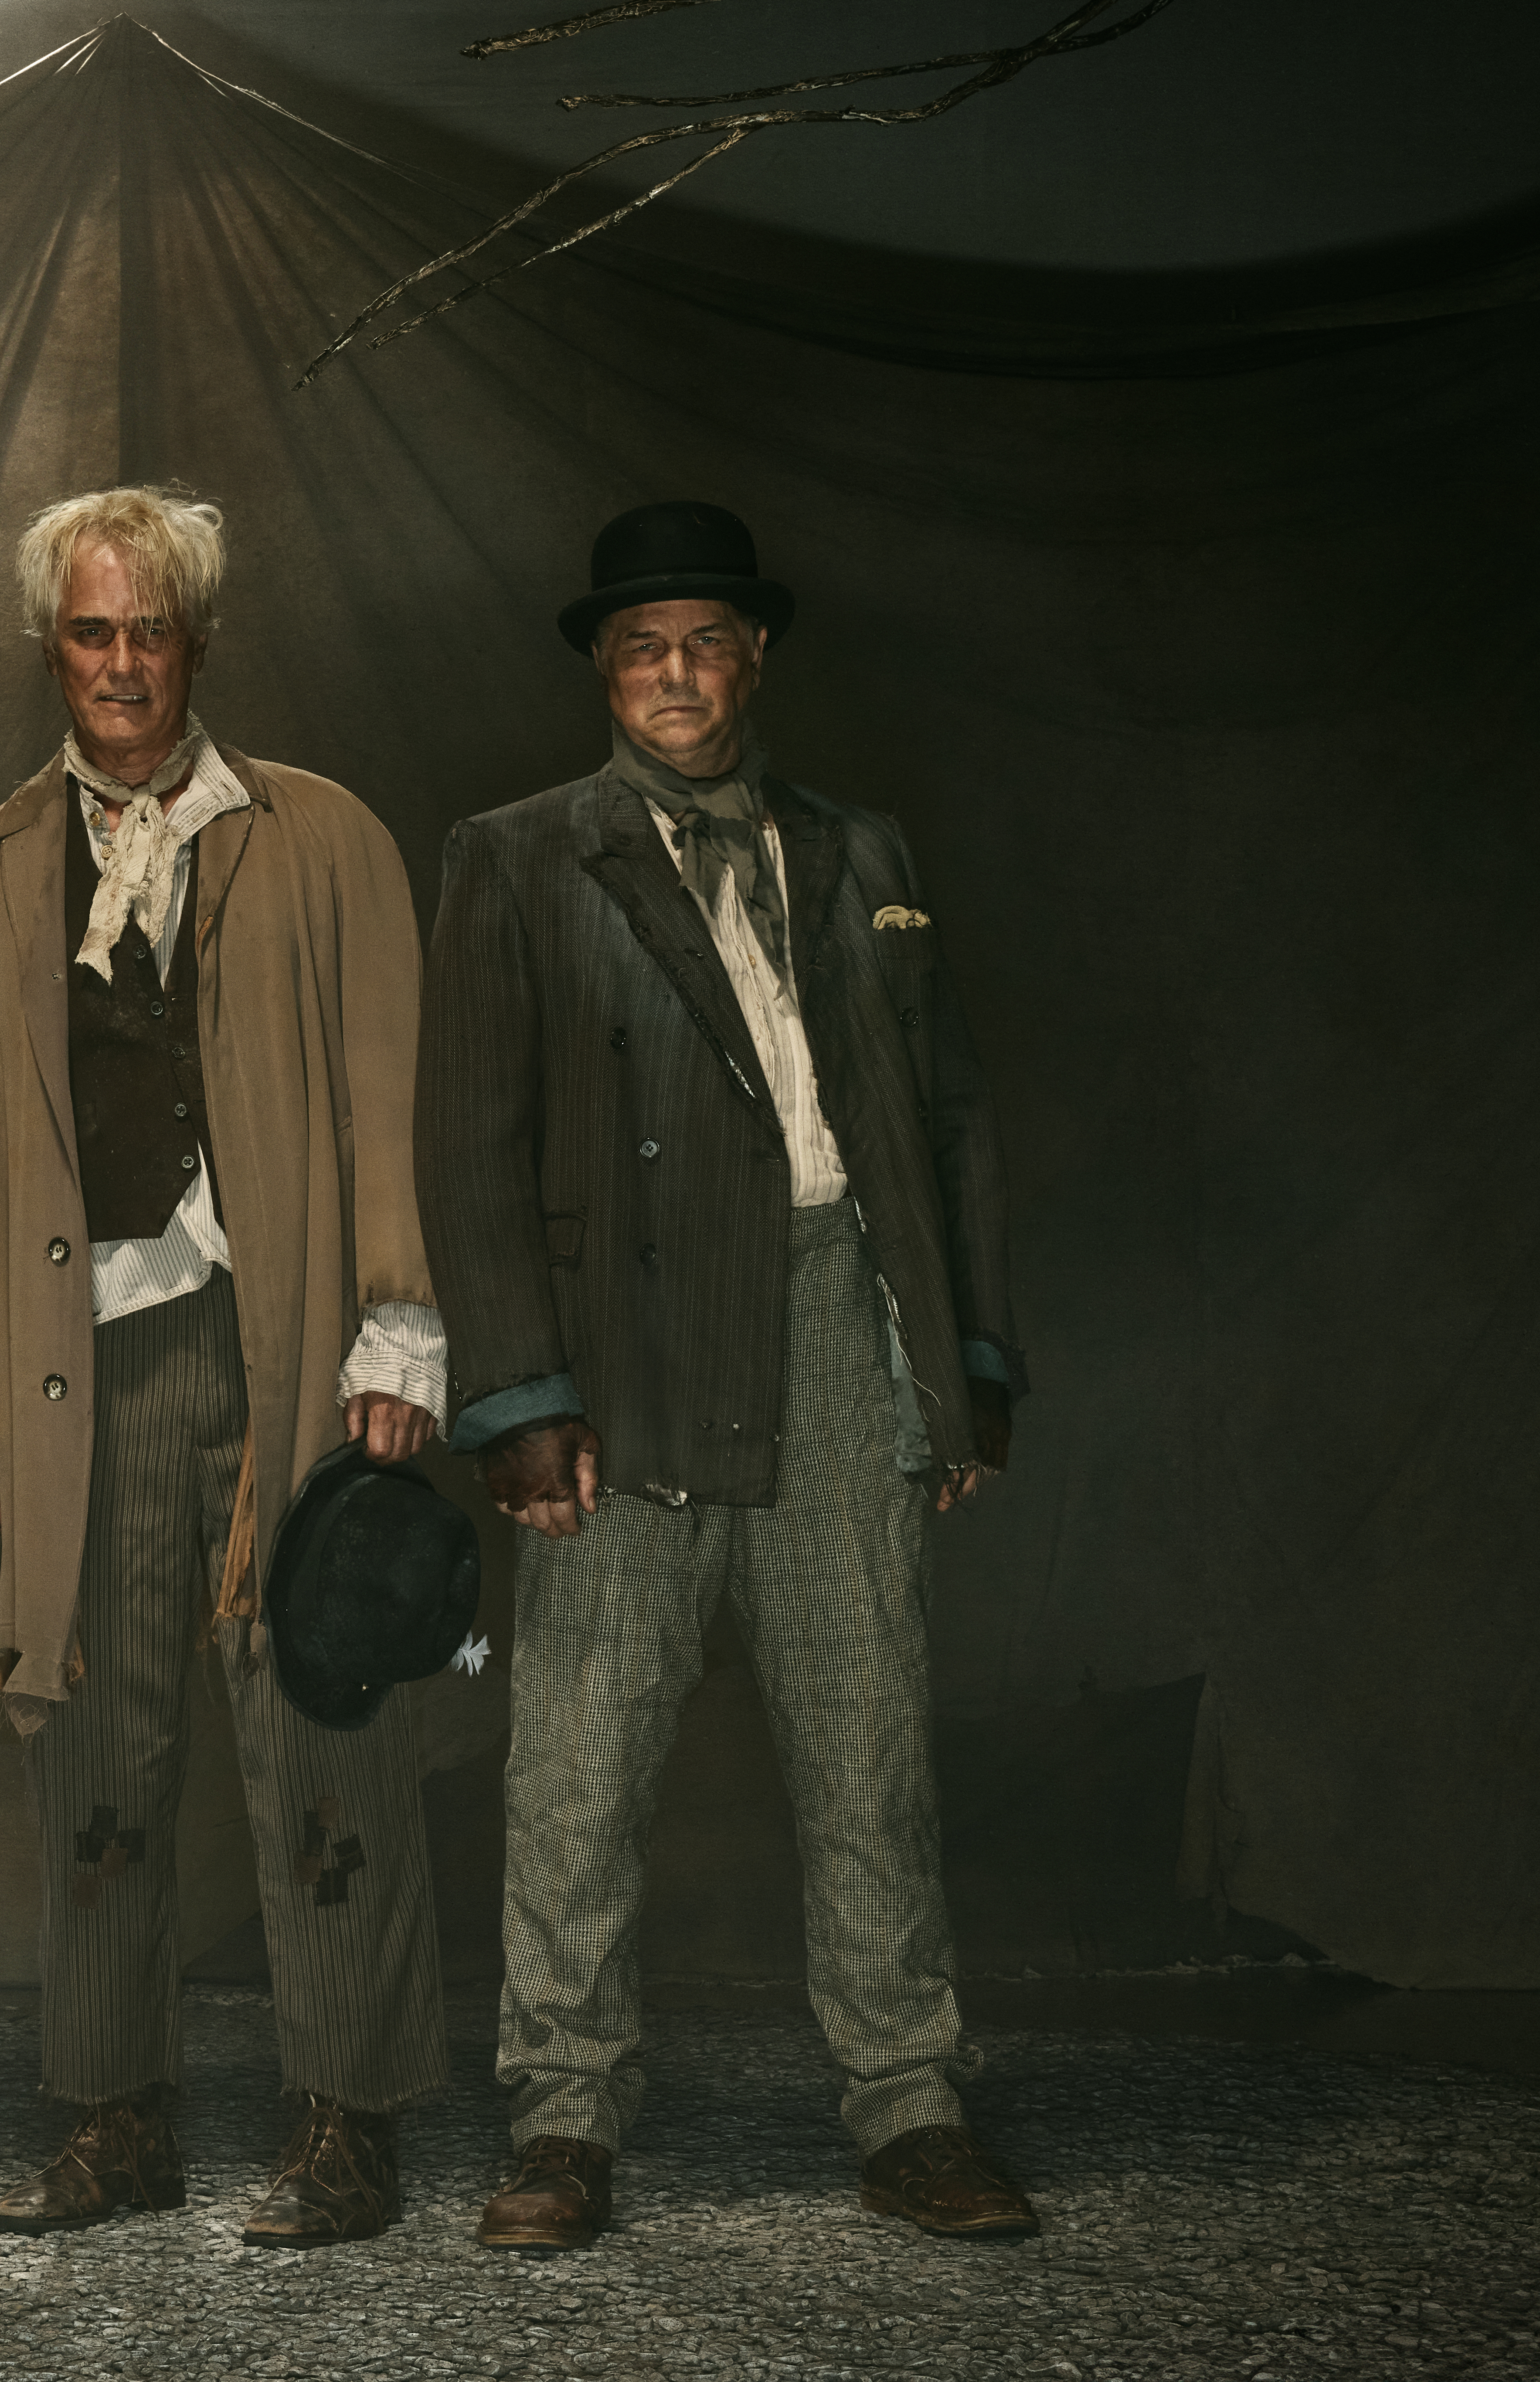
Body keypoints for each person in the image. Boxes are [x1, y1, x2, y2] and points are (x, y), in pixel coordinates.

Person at [418, 500, 1038, 2252]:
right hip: (619, 1349)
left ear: (753, 658)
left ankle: (909, 2100)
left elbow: (951, 1118)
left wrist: (960, 1361)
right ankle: (557, 2117)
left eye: (702, 643)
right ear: (598, 672)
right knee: (578, 1755)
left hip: (844, 1321)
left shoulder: (859, 848)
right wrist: (522, 1398)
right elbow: (468, 1149)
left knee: (866, 1739)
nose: (672, 675)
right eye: (638, 647)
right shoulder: (517, 854)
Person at [0, 486, 451, 2251]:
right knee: (92, 1731)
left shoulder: (321, 840)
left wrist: (396, 1326)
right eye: (90, 632)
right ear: (51, 650)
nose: (120, 664)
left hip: (287, 1335)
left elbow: (388, 1101)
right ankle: (109, 2116)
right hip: (92, 1356)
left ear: (195, 645)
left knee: (322, 1707)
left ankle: (346, 2118)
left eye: (148, 631)